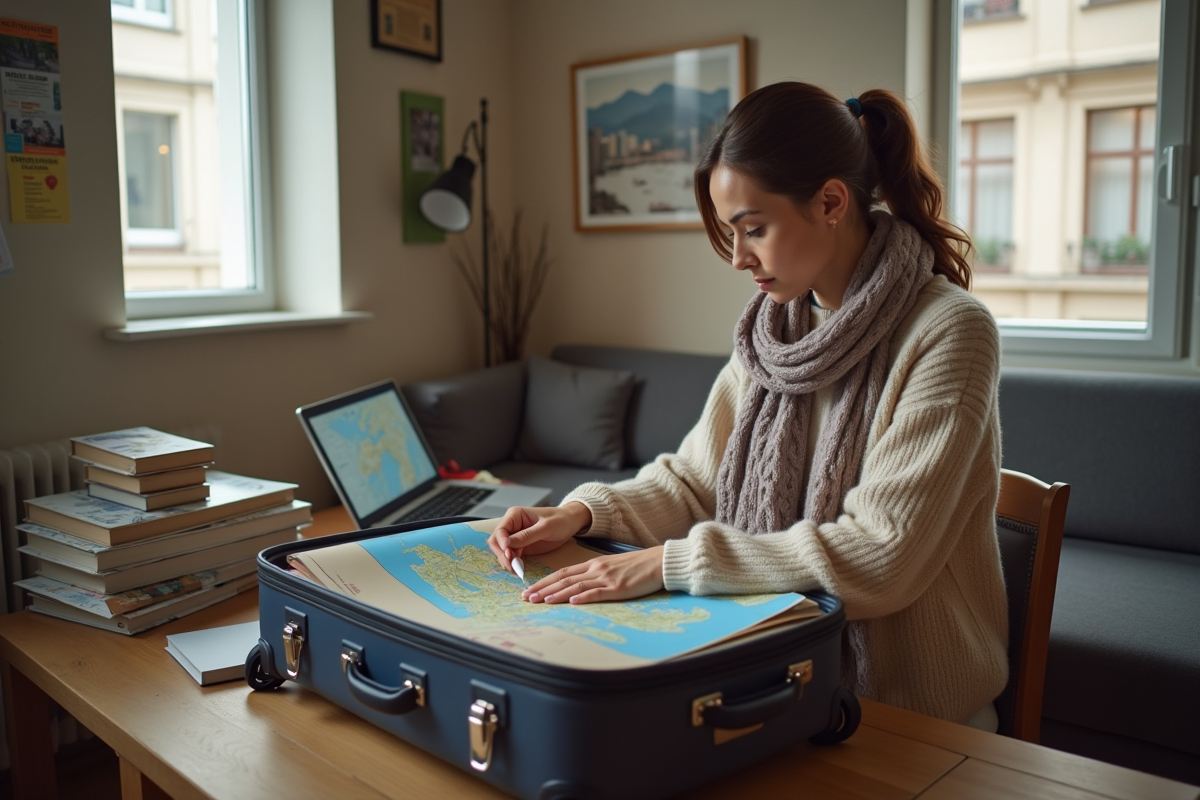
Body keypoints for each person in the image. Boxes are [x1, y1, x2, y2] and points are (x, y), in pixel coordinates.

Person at [488, 82, 1008, 730]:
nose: (738, 259)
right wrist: (579, 512)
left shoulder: (950, 331)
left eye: (753, 229)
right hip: (777, 683)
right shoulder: (773, 333)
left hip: (913, 715)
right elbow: (695, 481)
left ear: (830, 202)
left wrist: (673, 563)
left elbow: (885, 558)